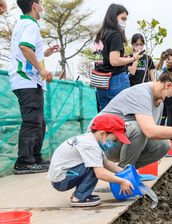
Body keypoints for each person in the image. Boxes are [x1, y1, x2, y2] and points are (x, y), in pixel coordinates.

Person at [93, 61, 172, 168]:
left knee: (163, 145)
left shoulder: (159, 102)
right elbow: (149, 131)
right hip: (101, 141)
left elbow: (154, 135)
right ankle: (124, 175)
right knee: (140, 129)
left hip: (118, 141)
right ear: (168, 85)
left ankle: (126, 170)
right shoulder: (141, 93)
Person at [9, 0, 60, 175]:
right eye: (41, 3)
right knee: (32, 121)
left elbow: (30, 49)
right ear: (34, 5)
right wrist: (42, 69)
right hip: (27, 80)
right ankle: (24, 161)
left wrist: (46, 52)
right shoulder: (30, 24)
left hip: (28, 81)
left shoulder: (23, 24)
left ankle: (35, 158)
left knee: (39, 121)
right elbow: (25, 47)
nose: (42, 7)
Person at [48, 114, 134, 207]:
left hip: (64, 174)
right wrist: (122, 181)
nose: (115, 143)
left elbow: (106, 163)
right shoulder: (91, 145)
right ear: (103, 134)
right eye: (114, 140)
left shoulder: (91, 140)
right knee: (94, 168)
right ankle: (79, 198)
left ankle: (80, 194)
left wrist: (125, 173)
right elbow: (100, 173)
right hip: (62, 179)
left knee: (96, 164)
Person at [94, 4, 138, 111]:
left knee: (105, 118)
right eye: (122, 18)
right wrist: (132, 59)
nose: (124, 22)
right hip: (115, 80)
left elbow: (103, 59)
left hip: (100, 82)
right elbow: (114, 61)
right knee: (121, 116)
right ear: (113, 17)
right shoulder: (115, 35)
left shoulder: (100, 35)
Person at [157, 49, 172, 127]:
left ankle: (161, 131)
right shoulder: (169, 66)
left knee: (163, 115)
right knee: (170, 114)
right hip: (169, 93)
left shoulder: (161, 65)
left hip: (161, 92)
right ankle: (171, 134)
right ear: (170, 56)